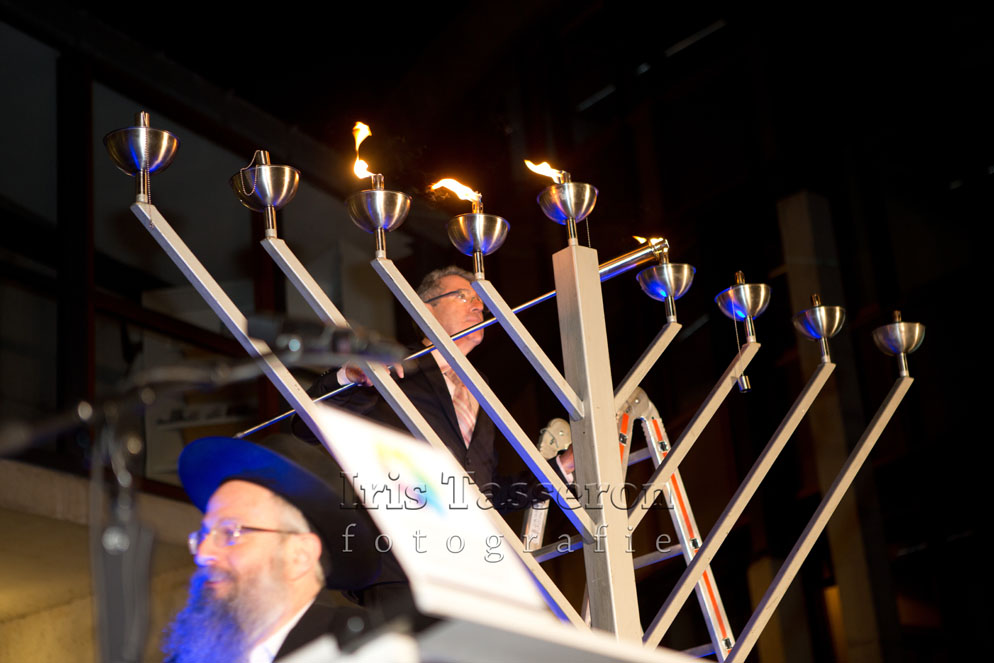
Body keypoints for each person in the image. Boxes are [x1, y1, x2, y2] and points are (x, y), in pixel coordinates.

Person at [292, 266, 573, 613]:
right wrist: (349, 377)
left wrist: (561, 468)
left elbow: (484, 492)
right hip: (401, 565)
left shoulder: (481, 387)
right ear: (425, 308)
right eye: (463, 296)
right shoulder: (391, 367)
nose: (477, 306)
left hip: (469, 570)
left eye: (481, 301)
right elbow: (306, 427)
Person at [163, 435, 381, 663]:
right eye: (204, 535)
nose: (203, 554)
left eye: (230, 532)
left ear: (299, 555)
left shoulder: (369, 648)